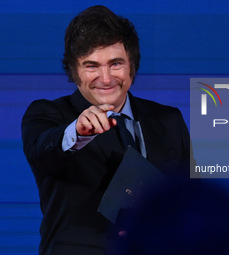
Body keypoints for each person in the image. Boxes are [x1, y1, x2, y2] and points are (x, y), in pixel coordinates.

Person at [21, 5, 191, 255]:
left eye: (115, 63)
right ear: (74, 71)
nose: (106, 77)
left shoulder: (168, 119)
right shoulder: (49, 115)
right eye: (91, 66)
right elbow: (43, 152)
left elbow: (191, 198)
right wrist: (77, 132)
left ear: (132, 66)